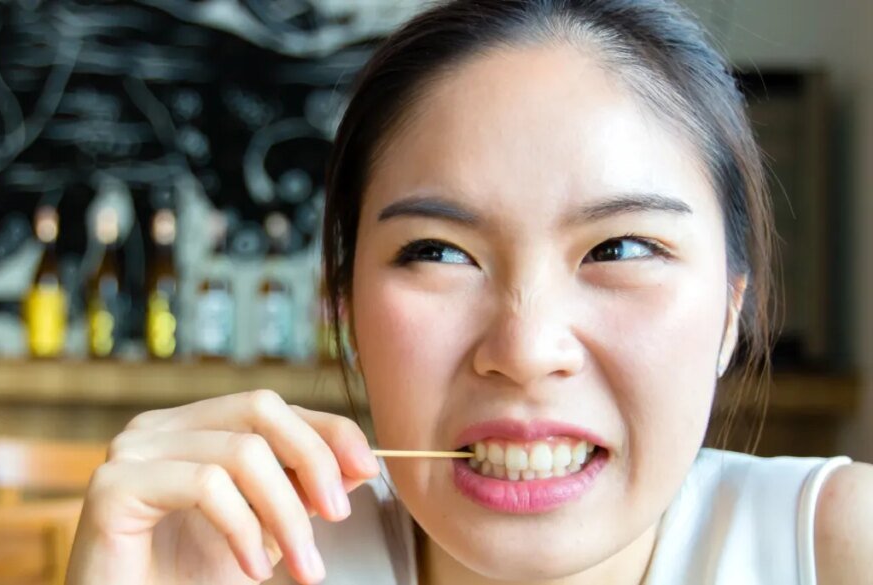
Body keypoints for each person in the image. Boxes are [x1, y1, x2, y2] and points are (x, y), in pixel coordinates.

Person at [64, 1, 873, 583]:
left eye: (619, 247)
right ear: (343, 309)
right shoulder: (242, 566)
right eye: (440, 252)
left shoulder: (840, 546)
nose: (524, 350)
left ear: (732, 309)